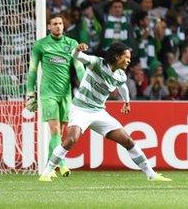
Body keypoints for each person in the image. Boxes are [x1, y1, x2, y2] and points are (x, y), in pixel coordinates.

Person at [38, 42, 171, 182]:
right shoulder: (96, 63)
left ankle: (151, 174)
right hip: (80, 110)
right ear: (116, 56)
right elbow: (78, 57)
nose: (129, 60)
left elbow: (122, 87)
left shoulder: (120, 75)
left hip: (99, 112)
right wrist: (77, 50)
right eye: (126, 57)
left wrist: (126, 102)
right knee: (71, 139)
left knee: (128, 140)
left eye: (130, 58)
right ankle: (47, 172)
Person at [26, 13, 85, 177]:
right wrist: (31, 94)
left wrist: (86, 88)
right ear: (48, 27)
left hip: (65, 94)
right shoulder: (41, 45)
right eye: (54, 23)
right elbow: (32, 71)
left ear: (63, 25)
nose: (58, 26)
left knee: (63, 132)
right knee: (55, 131)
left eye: (60, 23)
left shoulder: (72, 44)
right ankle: (63, 165)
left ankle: (49, 165)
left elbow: (79, 68)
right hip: (48, 94)